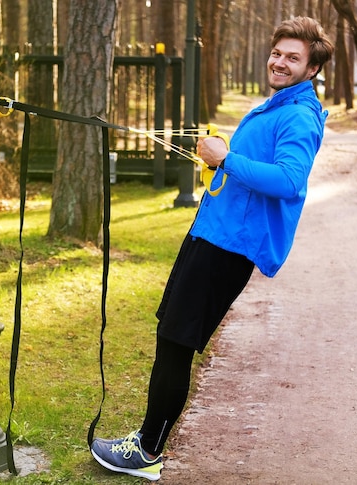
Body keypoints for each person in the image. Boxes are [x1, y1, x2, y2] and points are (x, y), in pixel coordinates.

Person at [90, 16, 335, 481]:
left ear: (312, 68)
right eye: (278, 53)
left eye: (293, 58)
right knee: (170, 336)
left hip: (228, 247)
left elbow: (288, 180)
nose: (280, 62)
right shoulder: (279, 103)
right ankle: (146, 443)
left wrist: (227, 157)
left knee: (177, 344)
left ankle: (146, 452)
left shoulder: (299, 116)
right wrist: (227, 156)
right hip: (211, 234)